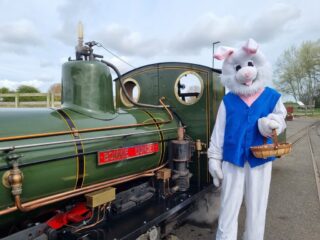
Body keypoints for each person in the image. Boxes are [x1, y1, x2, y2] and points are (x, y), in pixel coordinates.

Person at [208, 39, 287, 240]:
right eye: (238, 67)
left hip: (260, 161)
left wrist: (270, 123)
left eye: (250, 64)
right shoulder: (229, 100)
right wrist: (214, 158)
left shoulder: (272, 96)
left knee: (257, 208)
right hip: (232, 162)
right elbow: (219, 131)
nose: (245, 71)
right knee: (228, 208)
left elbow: (280, 118)